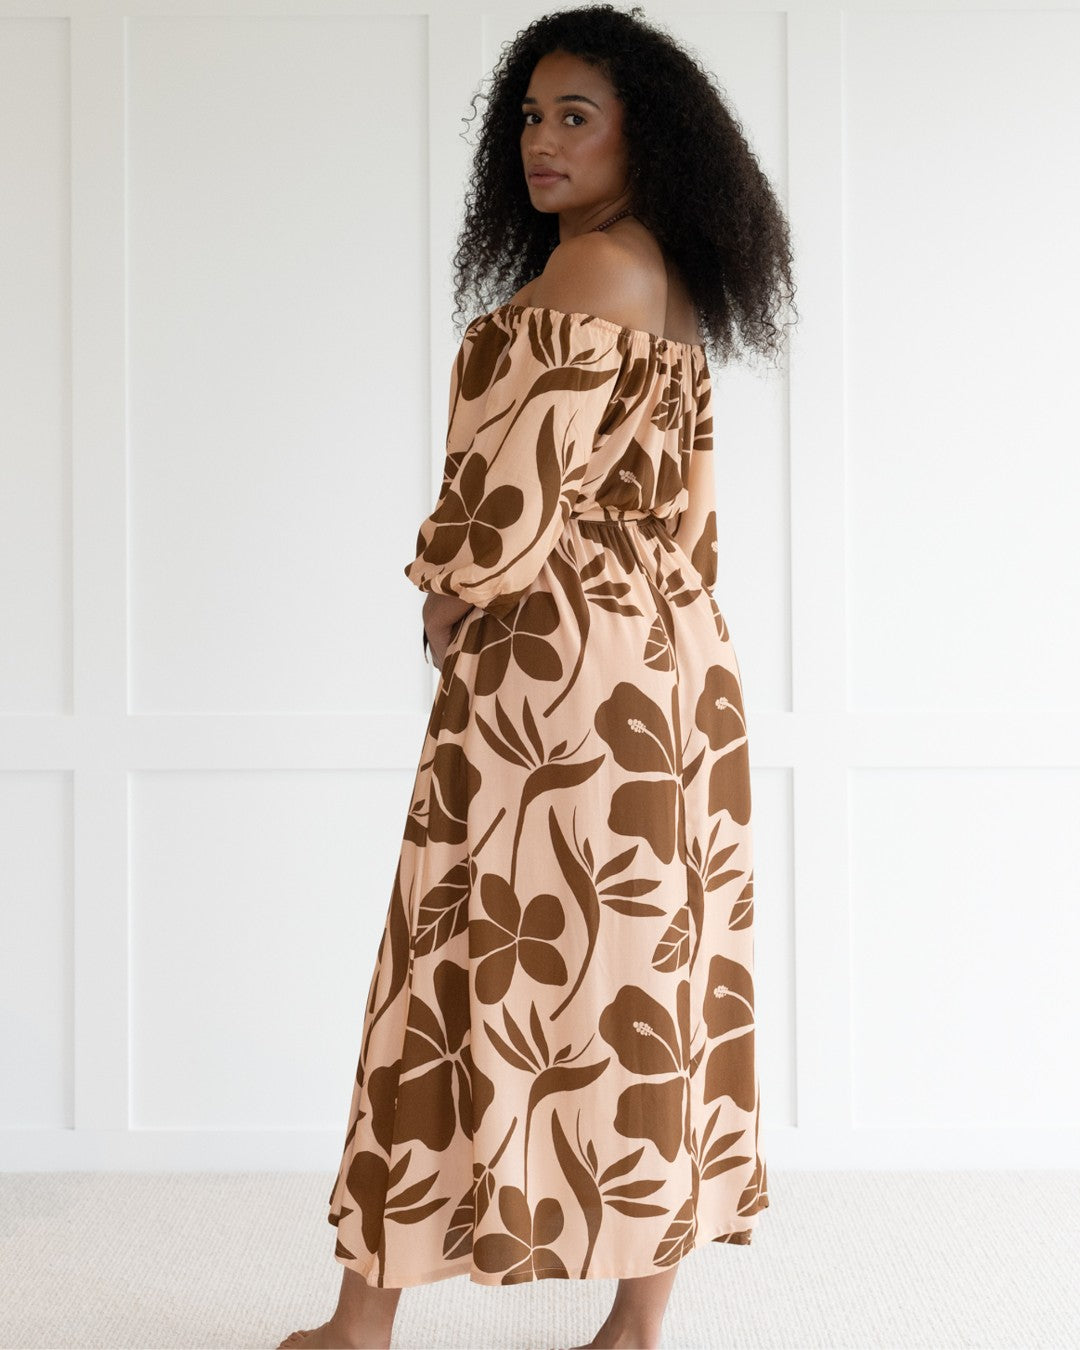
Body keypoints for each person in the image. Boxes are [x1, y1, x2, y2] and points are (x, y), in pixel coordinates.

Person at [279, 5, 795, 1347]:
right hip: (671, 659)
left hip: (558, 661)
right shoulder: (667, 276)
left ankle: (360, 1322)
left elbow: (507, 498)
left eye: (578, 115)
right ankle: (633, 1325)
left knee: (452, 952)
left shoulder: (585, 281)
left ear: (647, 135)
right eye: (529, 115)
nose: (541, 142)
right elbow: (691, 508)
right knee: (651, 972)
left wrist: (450, 593)